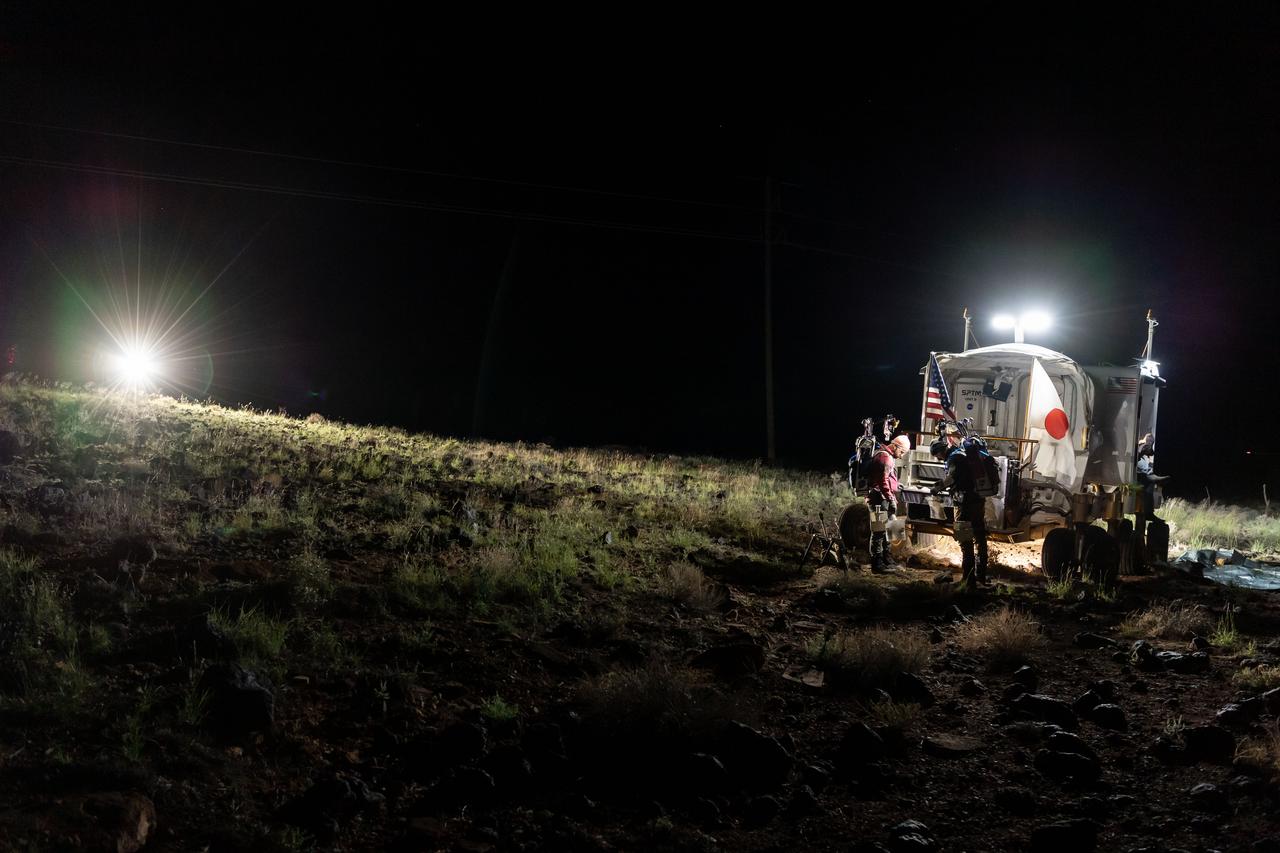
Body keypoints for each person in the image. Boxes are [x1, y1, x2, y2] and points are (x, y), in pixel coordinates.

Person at [930, 438, 990, 588]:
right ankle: (981, 576)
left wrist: (937, 488)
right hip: (978, 501)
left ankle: (968, 579)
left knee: (965, 539)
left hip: (963, 505)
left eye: (937, 456)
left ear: (940, 451)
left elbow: (952, 477)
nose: (938, 458)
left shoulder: (953, 458)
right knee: (980, 537)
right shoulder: (963, 453)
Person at [867, 435, 910, 573]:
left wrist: (896, 486)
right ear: (896, 446)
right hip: (878, 499)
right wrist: (891, 498)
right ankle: (877, 564)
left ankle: (887, 558)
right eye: (902, 452)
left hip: (883, 497)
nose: (901, 455)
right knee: (879, 531)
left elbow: (886, 479)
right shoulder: (885, 457)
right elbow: (882, 481)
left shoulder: (885, 455)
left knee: (891, 528)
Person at [1135, 433, 1168, 520]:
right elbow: (1140, 452)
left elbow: (1151, 453)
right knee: (1149, 482)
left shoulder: (1146, 449)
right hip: (1137, 476)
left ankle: (1148, 512)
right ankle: (1148, 513)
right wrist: (1145, 446)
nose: (1150, 442)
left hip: (1145, 473)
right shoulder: (1141, 445)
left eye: (1152, 442)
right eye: (1149, 440)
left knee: (1150, 481)